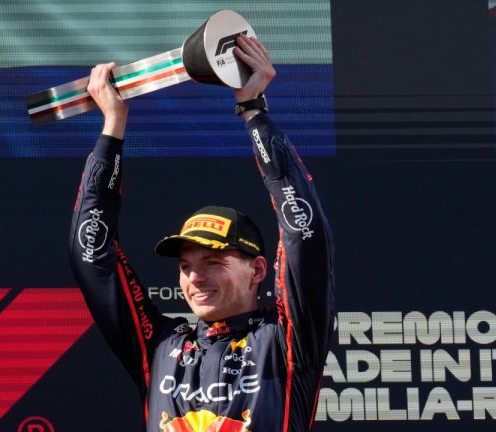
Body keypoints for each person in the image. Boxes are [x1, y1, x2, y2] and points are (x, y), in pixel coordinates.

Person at [69, 35, 335, 432]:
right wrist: (112, 127)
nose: (195, 278)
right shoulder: (159, 347)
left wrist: (253, 111)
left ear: (258, 269)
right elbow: (91, 254)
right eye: (185, 266)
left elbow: (304, 232)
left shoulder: (285, 343)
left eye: (213, 262)